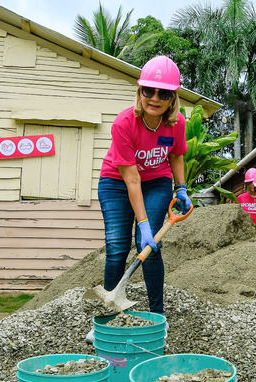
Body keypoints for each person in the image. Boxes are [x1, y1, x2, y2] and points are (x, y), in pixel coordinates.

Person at [88, 56, 191, 342]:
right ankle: (108, 319)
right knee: (118, 246)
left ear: (173, 98)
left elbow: (176, 155)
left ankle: (158, 316)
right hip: (116, 183)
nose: (155, 98)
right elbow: (131, 179)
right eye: (149, 90)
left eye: (164, 93)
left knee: (150, 248)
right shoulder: (124, 123)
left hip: (157, 182)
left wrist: (181, 189)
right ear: (140, 91)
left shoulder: (176, 123)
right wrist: (143, 224)